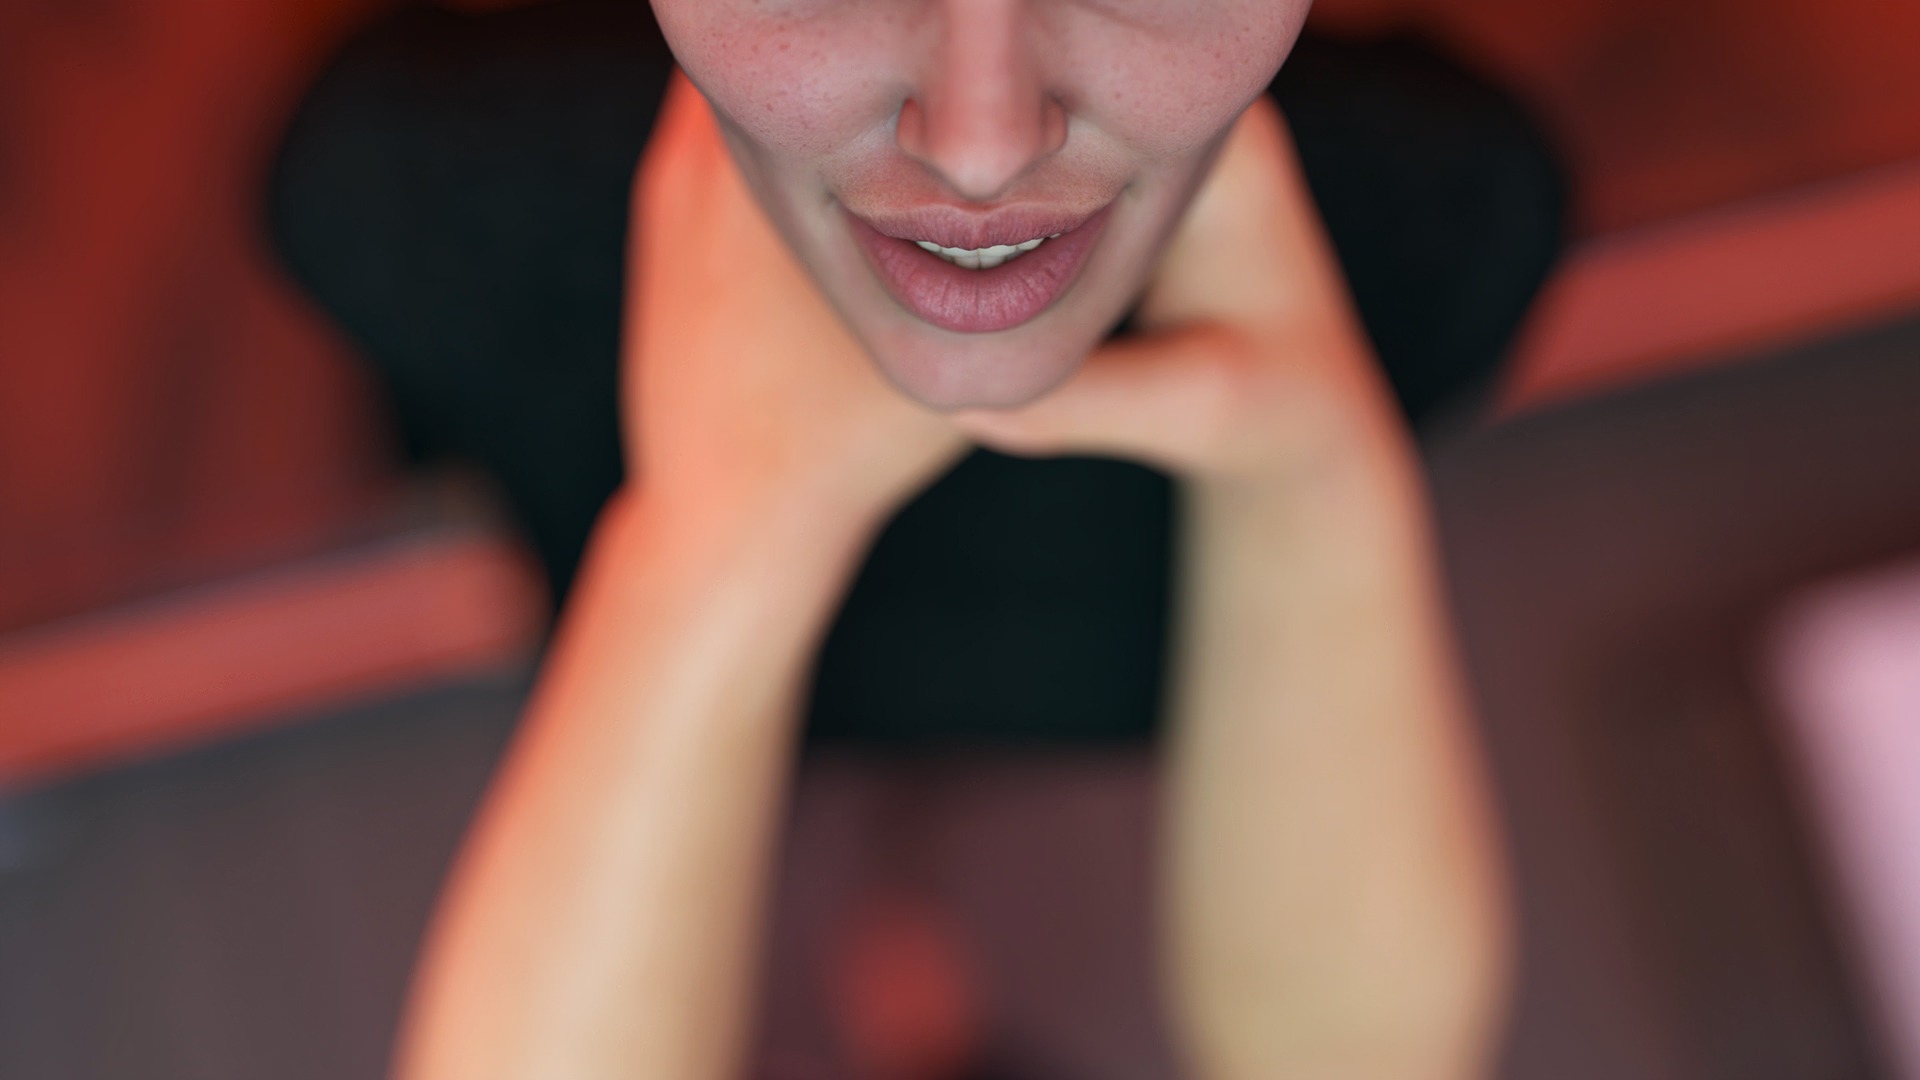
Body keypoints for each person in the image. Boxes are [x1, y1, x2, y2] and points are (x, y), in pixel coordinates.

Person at [270, 2, 1563, 1076]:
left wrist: (713, 551)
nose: (984, 147)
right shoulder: (1430, 230)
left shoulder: (434, 197)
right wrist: (1309, 476)